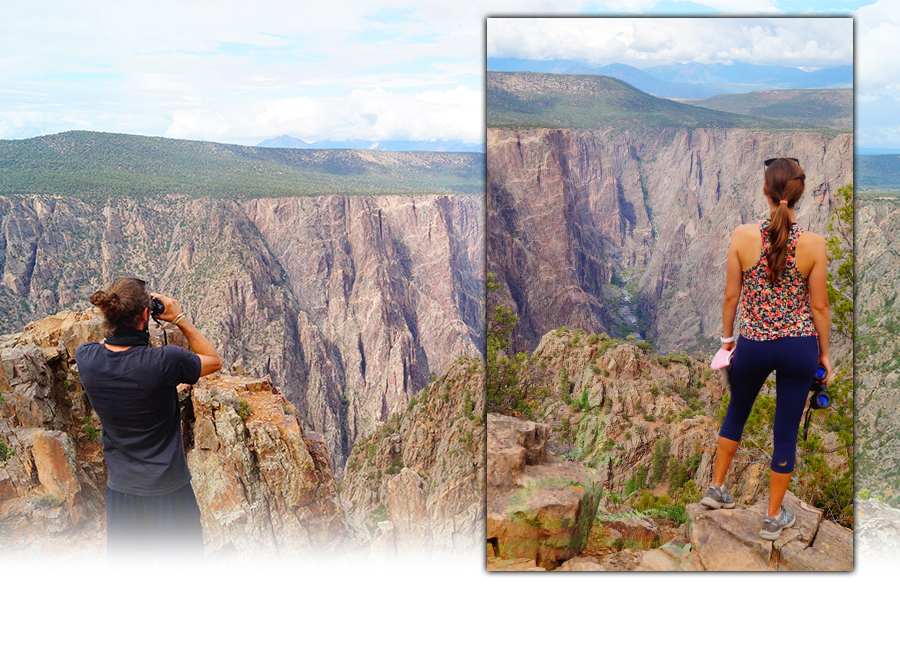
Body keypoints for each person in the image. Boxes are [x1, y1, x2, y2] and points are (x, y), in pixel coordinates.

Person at [700, 157, 830, 540]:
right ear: (800, 193)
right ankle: (773, 517)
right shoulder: (814, 245)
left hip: (753, 343)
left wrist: (728, 342)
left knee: (737, 412)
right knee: (786, 430)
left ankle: (716, 488)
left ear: (764, 190)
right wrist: (824, 355)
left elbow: (730, 296)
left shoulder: (742, 236)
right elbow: (820, 306)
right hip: (798, 347)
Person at [75, 277, 223, 558]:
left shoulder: (86, 357)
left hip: (122, 492)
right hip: (169, 490)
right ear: (147, 314)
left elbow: (110, 347)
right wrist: (179, 317)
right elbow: (213, 360)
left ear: (108, 315)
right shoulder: (165, 362)